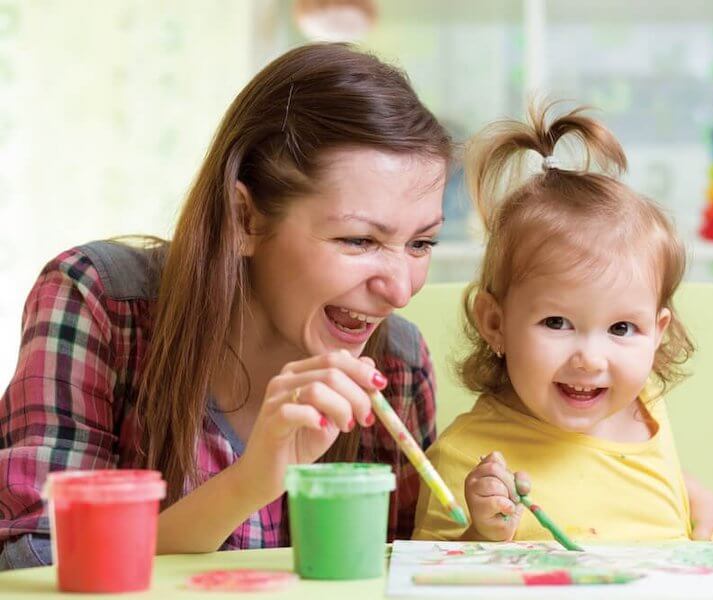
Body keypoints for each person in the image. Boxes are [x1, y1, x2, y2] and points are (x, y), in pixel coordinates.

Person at [0, 43, 452, 569]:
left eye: (421, 244)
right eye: (358, 240)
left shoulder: (399, 364)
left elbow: (404, 569)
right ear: (245, 219)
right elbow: (33, 562)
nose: (400, 291)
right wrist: (251, 482)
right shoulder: (97, 302)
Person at [414, 102, 713, 544]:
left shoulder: (645, 409)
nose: (590, 359)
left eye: (622, 329)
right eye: (557, 322)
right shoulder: (466, 459)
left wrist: (692, 495)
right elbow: (427, 580)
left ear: (658, 332)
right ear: (495, 323)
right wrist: (480, 535)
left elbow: (612, 476)